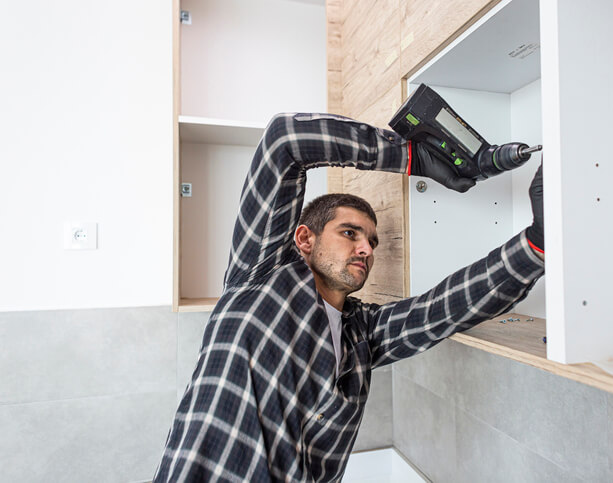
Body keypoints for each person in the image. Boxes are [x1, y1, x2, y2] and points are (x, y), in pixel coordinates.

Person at [154, 113, 544, 482]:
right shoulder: (260, 278)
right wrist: (411, 157)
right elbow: (285, 138)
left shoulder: (362, 337)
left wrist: (537, 243)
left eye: (372, 241)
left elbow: (442, 309)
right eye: (349, 233)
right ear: (305, 239)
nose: (367, 249)